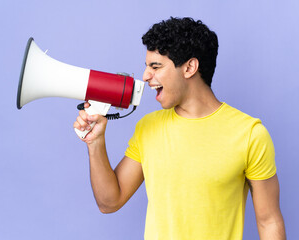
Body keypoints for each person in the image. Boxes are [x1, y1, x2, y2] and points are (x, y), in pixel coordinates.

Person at [74, 17, 286, 240]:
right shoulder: (149, 127)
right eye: (147, 67)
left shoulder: (250, 134)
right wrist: (95, 142)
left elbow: (269, 220)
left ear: (189, 67)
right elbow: (109, 202)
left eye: (155, 67)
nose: (145, 76)